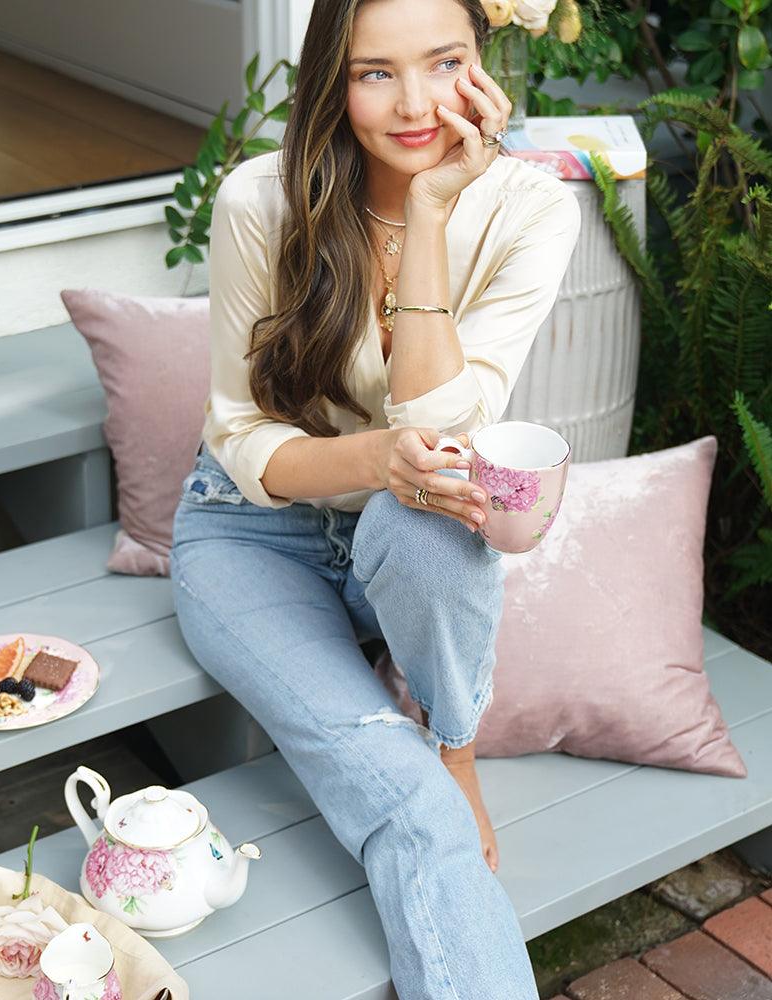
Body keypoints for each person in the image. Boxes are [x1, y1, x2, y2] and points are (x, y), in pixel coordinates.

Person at [170, 0, 580, 995]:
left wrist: (433, 210)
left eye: (442, 64)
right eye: (373, 73)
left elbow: (442, 429)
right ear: (330, 81)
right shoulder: (256, 202)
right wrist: (376, 461)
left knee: (426, 513)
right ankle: (431, 778)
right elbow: (240, 434)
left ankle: (456, 738)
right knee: (408, 806)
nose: (413, 105)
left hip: (413, 526)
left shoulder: (531, 208)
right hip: (249, 530)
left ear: (483, 62)